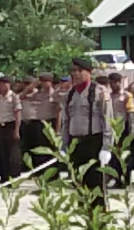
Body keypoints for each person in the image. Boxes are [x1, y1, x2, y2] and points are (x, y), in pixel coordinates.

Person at [57, 57, 114, 203]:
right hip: (76, 144)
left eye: (79, 71)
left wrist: (107, 147)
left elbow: (108, 121)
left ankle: (99, 221)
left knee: (96, 187)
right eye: (73, 71)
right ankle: (86, 219)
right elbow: (66, 121)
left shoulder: (99, 92)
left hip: (93, 142)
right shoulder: (71, 94)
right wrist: (63, 146)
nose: (75, 74)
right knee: (79, 185)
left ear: (89, 72)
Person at [18, 74, 58, 173]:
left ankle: (51, 172)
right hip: (38, 123)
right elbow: (22, 96)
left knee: (49, 149)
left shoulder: (54, 94)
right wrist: (33, 84)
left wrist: (58, 129)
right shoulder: (37, 94)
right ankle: (39, 171)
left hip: (50, 122)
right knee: (38, 149)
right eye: (42, 81)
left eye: (46, 81)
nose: (44, 84)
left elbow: (58, 112)